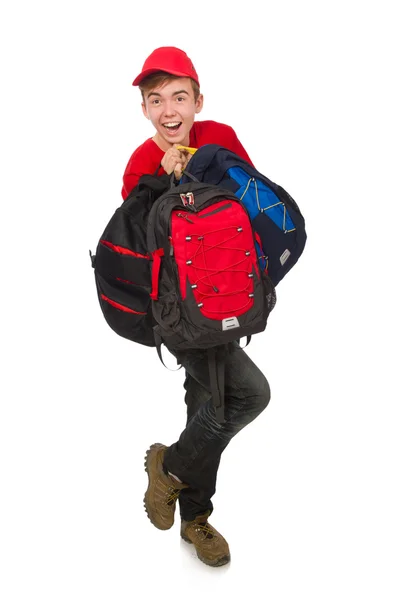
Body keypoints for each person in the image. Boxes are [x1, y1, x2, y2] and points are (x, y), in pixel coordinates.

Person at [123, 47, 271, 568]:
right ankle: (189, 502)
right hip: (179, 315)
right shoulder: (141, 163)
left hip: (227, 298)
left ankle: (175, 478)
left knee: (206, 409)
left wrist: (201, 174)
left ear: (198, 101)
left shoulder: (221, 139)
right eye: (156, 99)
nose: (169, 110)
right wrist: (161, 182)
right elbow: (139, 245)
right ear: (144, 108)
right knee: (248, 395)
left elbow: (250, 207)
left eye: (179, 97)